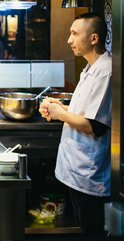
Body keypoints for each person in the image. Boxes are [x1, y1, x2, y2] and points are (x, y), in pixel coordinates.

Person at [39, 13, 111, 237]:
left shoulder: (106, 71)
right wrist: (61, 108)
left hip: (89, 174)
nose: (69, 40)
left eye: (74, 34)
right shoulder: (89, 68)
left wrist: (60, 113)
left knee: (92, 233)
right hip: (76, 170)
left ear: (94, 38)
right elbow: (85, 113)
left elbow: (95, 125)